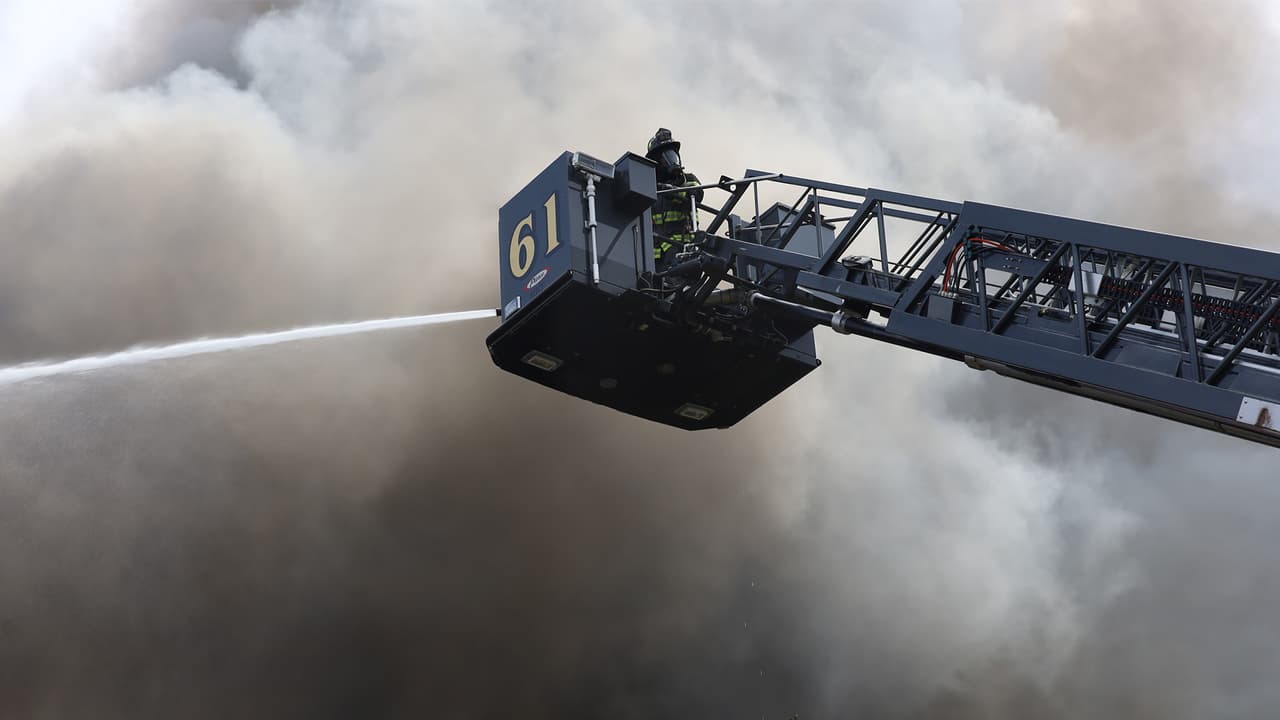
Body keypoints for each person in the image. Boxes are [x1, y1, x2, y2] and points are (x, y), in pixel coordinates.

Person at [645, 128, 704, 267]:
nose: (669, 160)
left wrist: (672, 191)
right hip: (654, 256)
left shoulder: (688, 180)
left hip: (682, 249)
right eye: (664, 157)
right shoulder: (647, 186)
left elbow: (696, 194)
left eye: (671, 154)